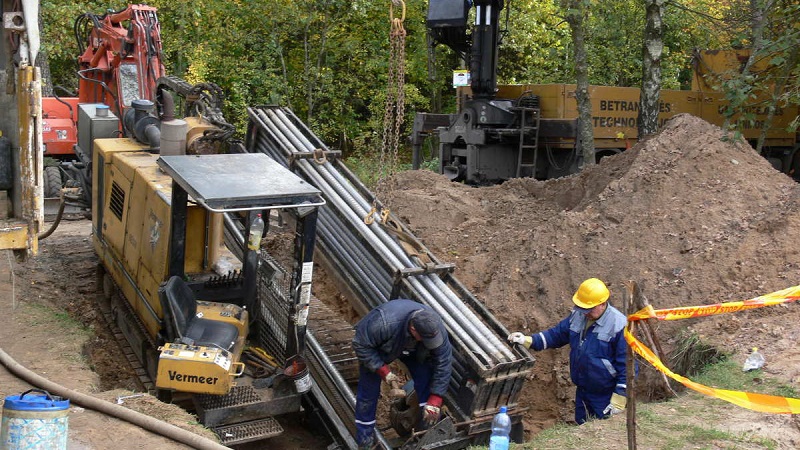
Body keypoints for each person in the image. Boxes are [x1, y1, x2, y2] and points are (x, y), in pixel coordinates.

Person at [508, 278, 629, 424]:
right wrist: (529, 340)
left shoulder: (619, 325)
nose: (585, 313)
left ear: (602, 303)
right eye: (583, 309)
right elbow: (557, 335)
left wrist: (619, 398)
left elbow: (627, 366)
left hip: (605, 395)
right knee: (582, 432)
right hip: (583, 391)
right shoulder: (578, 316)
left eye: (588, 309)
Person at [352, 299, 453, 449]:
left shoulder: (434, 327)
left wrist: (436, 398)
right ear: (413, 328)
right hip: (382, 348)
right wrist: (383, 371)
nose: (431, 341)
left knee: (426, 378)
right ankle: (364, 438)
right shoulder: (384, 323)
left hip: (415, 351)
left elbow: (443, 362)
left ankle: (425, 432)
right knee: (368, 391)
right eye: (426, 339)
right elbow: (360, 344)